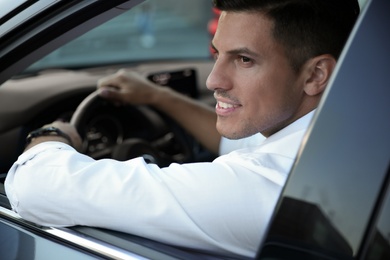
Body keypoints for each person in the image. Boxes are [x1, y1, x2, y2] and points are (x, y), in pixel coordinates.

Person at [5, 0, 359, 257]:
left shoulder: (267, 188)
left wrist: (48, 138)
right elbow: (233, 142)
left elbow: (37, 187)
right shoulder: (345, 136)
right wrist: (157, 96)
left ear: (315, 75)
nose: (214, 79)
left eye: (244, 59)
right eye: (216, 53)